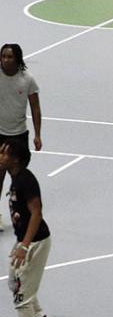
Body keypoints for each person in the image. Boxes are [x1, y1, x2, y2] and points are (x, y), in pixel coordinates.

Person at [0, 140, 53, 317]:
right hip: (24, 240)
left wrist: (24, 246)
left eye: (4, 153)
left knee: (22, 294)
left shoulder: (26, 181)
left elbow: (36, 212)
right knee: (15, 281)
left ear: (16, 159)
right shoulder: (16, 178)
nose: (0, 155)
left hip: (34, 242)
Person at [0, 43, 42, 232]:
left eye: (10, 57)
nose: (6, 60)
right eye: (3, 56)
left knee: (19, 179)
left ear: (17, 59)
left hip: (18, 137)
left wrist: (37, 134)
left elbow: (35, 108)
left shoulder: (27, 80)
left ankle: (23, 215)